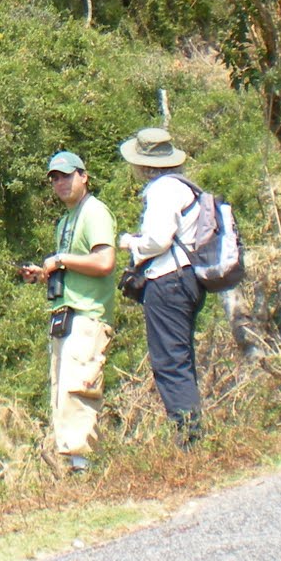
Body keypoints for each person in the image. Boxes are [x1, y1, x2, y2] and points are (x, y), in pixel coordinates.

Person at [21, 150, 116, 474]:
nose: (60, 182)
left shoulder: (95, 213)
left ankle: (85, 471)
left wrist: (60, 260)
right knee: (62, 395)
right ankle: (77, 470)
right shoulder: (65, 220)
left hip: (87, 317)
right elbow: (75, 267)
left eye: (66, 175)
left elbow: (104, 262)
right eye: (55, 178)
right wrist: (44, 273)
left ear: (83, 176)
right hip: (64, 317)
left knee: (79, 391)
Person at [117, 127, 206, 445]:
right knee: (181, 358)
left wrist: (130, 243)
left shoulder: (162, 190)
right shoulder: (185, 186)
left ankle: (189, 440)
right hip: (189, 279)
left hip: (168, 281)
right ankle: (193, 434)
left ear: (144, 164)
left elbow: (157, 239)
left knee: (169, 361)